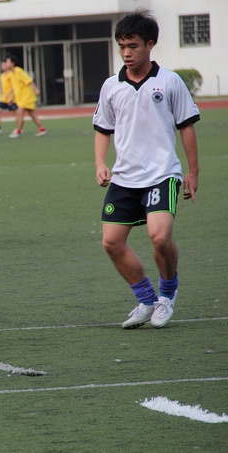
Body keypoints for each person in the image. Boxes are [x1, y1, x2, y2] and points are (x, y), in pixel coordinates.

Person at [93, 9, 200, 329]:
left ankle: (167, 296)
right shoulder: (111, 86)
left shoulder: (169, 81)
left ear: (150, 45)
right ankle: (146, 299)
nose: (126, 53)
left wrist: (192, 172)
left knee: (159, 236)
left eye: (133, 46)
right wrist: (100, 163)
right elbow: (103, 129)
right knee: (111, 242)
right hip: (125, 177)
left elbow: (186, 127)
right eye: (121, 46)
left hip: (162, 174)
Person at [4, 55, 46, 138]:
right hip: (21, 98)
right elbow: (16, 87)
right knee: (32, 114)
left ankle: (18, 131)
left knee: (19, 112)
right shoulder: (12, 73)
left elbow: (29, 80)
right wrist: (11, 98)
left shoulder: (18, 71)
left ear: (12, 63)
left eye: (7, 62)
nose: (6, 64)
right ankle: (42, 129)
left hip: (26, 96)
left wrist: (36, 89)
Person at [0, 59, 17, 135]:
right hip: (3, 98)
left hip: (11, 98)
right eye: (1, 65)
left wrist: (10, 94)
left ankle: (18, 128)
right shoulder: (2, 75)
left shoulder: (11, 74)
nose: (2, 67)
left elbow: (14, 86)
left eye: (4, 65)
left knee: (15, 114)